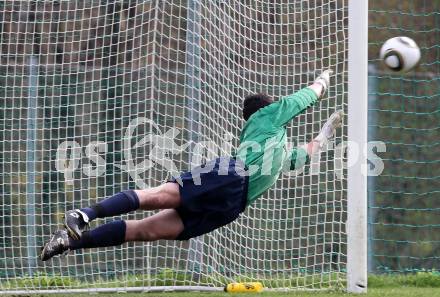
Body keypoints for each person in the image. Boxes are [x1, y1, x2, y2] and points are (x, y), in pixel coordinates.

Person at [40, 69, 343, 261]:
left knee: (148, 230)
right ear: (267, 109)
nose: (281, 107)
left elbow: (299, 157)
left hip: (234, 203)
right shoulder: (265, 117)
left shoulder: (277, 144)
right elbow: (305, 98)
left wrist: (323, 136)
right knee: (159, 196)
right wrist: (322, 81)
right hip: (232, 176)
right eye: (276, 105)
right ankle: (83, 214)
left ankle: (69, 242)